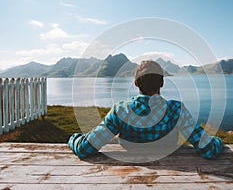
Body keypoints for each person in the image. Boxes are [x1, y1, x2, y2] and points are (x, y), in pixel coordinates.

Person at [68, 60, 223, 160]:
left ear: (136, 83)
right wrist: (218, 141)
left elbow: (84, 149)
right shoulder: (177, 109)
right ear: (162, 83)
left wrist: (74, 138)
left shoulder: (121, 110)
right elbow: (209, 150)